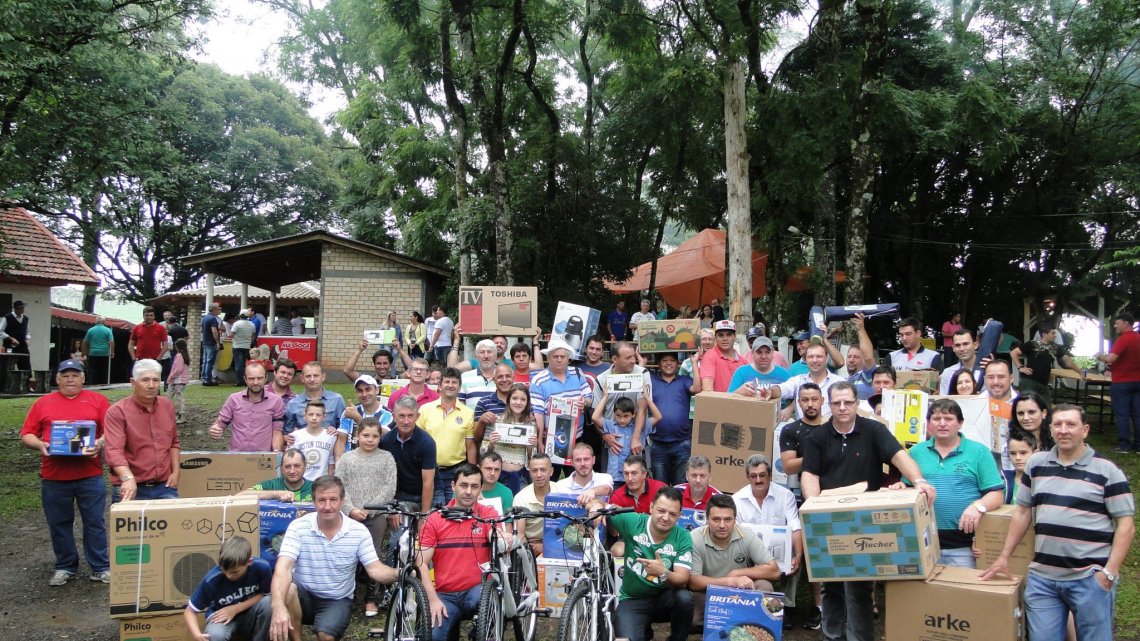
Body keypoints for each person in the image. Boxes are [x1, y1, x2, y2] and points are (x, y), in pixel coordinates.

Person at [979, 405, 1135, 641]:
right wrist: (1004, 556)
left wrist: (1109, 573)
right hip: (1043, 578)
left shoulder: (1107, 471)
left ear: (1085, 430)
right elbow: (1022, 512)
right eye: (1058, 424)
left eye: (1071, 424)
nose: (1064, 430)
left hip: (1088, 578)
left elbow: (1126, 525)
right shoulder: (1037, 464)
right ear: (1050, 429)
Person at [800, 381, 936, 641]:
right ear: (829, 405)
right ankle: (832, 636)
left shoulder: (873, 430)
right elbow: (810, 474)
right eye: (837, 403)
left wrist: (918, 480)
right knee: (830, 585)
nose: (842, 408)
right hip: (829, 519)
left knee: (859, 587)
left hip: (862, 522)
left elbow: (899, 455)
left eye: (848, 402)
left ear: (856, 403)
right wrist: (814, 506)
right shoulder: (818, 436)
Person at [269, 475, 397, 641]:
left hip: (337, 599)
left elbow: (375, 570)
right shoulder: (298, 526)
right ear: (313, 501)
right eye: (321, 500)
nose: (327, 506)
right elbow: (283, 568)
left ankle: (326, 626)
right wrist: (278, 607)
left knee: (327, 636)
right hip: (303, 596)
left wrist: (399, 574)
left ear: (342, 501)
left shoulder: (358, 531)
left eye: (333, 500)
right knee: (289, 590)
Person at [20, 359, 112, 586]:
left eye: (75, 375)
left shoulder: (98, 401)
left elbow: (111, 431)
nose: (70, 379)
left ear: (83, 378)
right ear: (57, 378)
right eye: (65, 375)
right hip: (54, 476)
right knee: (59, 523)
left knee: (94, 523)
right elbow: (27, 434)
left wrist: (99, 443)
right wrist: (40, 445)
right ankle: (65, 566)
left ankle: (100, 567)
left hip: (89, 475)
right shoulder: (43, 403)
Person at [902, 399, 1004, 567]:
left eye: (949, 419)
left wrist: (978, 507)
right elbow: (907, 487)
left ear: (960, 423)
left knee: (960, 592)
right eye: (936, 419)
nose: (942, 424)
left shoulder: (979, 452)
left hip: (964, 547)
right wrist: (899, 488)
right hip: (923, 544)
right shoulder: (916, 452)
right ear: (928, 424)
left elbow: (996, 494)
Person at [418, 464, 502, 641]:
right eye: (463, 485)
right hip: (445, 596)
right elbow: (421, 563)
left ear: (480, 489)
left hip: (477, 591)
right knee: (434, 637)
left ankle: (481, 633)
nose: (468, 491)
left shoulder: (487, 513)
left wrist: (501, 536)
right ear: (453, 486)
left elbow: (495, 534)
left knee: (489, 598)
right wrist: (432, 600)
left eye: (474, 486)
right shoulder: (434, 519)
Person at [609, 486, 694, 641]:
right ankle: (644, 630)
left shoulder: (683, 536)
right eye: (661, 511)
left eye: (672, 514)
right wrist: (594, 504)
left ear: (680, 516)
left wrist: (663, 572)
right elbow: (606, 511)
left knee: (685, 599)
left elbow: (683, 579)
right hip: (632, 599)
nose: (666, 517)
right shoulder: (633, 521)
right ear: (651, 507)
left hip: (664, 598)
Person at [731, 454, 808, 623]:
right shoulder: (736, 499)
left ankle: (786, 607)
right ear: (748, 477)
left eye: (762, 475)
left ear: (770, 476)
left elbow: (796, 526)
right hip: (749, 556)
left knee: (795, 556)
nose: (758, 480)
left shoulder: (785, 495)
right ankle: (754, 605)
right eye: (753, 476)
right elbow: (734, 534)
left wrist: (798, 556)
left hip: (777, 554)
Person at [335, 417, 398, 617]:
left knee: (374, 554)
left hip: (375, 515)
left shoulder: (387, 457)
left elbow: (389, 486)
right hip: (349, 515)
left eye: (375, 436)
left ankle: (372, 598)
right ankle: (346, 595)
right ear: (356, 436)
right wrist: (351, 509)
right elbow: (339, 485)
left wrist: (371, 509)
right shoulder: (347, 459)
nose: (370, 440)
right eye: (365, 435)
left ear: (380, 437)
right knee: (347, 553)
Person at [688, 493, 781, 629]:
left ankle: (738, 623)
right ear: (707, 519)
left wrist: (737, 573)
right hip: (709, 594)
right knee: (692, 618)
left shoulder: (747, 535)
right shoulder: (695, 538)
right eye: (716, 519)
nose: (722, 525)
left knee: (765, 586)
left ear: (735, 520)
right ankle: (739, 622)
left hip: (742, 594)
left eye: (727, 519)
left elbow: (774, 571)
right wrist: (729, 581)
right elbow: (694, 582)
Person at [103, 359, 180, 501]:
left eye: (156, 380)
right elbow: (114, 451)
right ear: (133, 382)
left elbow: (174, 442)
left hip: (165, 486)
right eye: (145, 380)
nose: (151, 385)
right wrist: (127, 478)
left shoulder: (167, 406)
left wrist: (176, 472)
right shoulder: (118, 411)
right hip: (131, 486)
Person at [185, 536, 272, 641]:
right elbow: (190, 611)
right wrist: (197, 635)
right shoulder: (212, 579)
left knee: (269, 602)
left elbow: (266, 594)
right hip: (221, 618)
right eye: (224, 570)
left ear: (249, 562)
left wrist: (236, 608)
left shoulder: (262, 568)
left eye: (235, 571)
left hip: (250, 614)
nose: (229, 576)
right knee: (216, 636)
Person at [531, 339, 593, 477]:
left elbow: (589, 397)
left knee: (578, 477)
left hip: (577, 436)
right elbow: (538, 412)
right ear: (548, 358)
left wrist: (585, 402)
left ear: (568, 358)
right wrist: (540, 440)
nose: (559, 360)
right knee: (550, 478)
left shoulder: (578, 373)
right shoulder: (539, 380)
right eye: (555, 356)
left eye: (563, 357)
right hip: (551, 440)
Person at [417, 367, 476, 505]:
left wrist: (473, 474)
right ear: (439, 386)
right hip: (429, 470)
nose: (450, 385)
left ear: (459, 387)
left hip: (455, 471)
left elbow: (470, 446)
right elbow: (417, 441)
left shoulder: (468, 413)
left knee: (454, 513)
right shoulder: (425, 410)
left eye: (454, 382)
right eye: (447, 382)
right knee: (432, 513)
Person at [649, 352, 701, 484]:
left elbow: (697, 388)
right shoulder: (651, 380)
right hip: (658, 444)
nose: (668, 363)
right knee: (660, 488)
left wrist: (694, 362)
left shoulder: (683, 380)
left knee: (681, 486)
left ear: (678, 364)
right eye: (664, 360)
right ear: (659, 364)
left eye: (672, 360)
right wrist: (642, 362)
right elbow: (638, 382)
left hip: (682, 443)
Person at [210, 362, 286, 452]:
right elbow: (220, 423)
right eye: (251, 379)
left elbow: (277, 431)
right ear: (245, 379)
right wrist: (214, 430)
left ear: (266, 378)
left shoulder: (276, 401)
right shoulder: (233, 399)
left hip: (263, 457)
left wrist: (276, 452)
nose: (256, 382)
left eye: (260, 378)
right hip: (237, 456)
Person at [381, 395, 437, 513]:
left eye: (410, 416)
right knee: (399, 529)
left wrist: (424, 515)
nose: (406, 421)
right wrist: (392, 507)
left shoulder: (427, 443)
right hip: (401, 495)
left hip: (429, 492)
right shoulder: (385, 441)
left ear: (417, 417)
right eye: (401, 416)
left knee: (431, 527)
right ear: (394, 417)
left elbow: (428, 482)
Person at [481, 381, 537, 493]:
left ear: (527, 403)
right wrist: (491, 443)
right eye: (515, 398)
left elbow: (532, 460)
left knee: (520, 509)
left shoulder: (531, 425)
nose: (518, 402)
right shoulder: (496, 421)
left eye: (523, 399)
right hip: (498, 477)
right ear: (508, 400)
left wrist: (531, 446)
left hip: (521, 477)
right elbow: (482, 452)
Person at [767, 343, 846, 422]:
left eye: (819, 356)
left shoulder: (840, 383)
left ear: (826, 358)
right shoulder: (797, 381)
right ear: (806, 360)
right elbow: (782, 389)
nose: (814, 360)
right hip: (803, 432)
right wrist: (770, 391)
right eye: (810, 357)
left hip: (831, 432)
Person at [1097, 313, 1140, 453]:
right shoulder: (1138, 338)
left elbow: (1111, 358)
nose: (1115, 325)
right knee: (1137, 413)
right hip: (1137, 381)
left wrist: (1099, 356)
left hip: (1122, 381)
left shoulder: (1124, 339)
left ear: (1126, 323)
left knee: (1122, 413)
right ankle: (1138, 445)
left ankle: (1124, 445)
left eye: (1117, 323)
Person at [778, 383, 825, 503]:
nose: (810, 404)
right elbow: (788, 467)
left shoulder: (833, 427)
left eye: (814, 399)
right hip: (808, 490)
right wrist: (819, 457)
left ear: (822, 401)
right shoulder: (791, 430)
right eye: (805, 400)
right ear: (798, 402)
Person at [1012, 323, 1082, 402]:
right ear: (1044, 334)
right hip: (1029, 383)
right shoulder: (1031, 344)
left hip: (1044, 385)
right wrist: (1020, 367)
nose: (1055, 335)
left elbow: (1067, 360)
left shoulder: (1055, 348)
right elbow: (1013, 353)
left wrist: (1079, 371)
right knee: (1028, 406)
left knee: (1047, 409)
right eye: (1053, 333)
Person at [337, 375, 393, 460]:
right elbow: (341, 441)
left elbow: (382, 436)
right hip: (350, 462)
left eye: (368, 389)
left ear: (377, 390)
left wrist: (357, 418)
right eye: (360, 391)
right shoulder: (349, 412)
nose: (364, 394)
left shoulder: (387, 414)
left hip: (375, 463)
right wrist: (339, 465)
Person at [283, 362, 347, 437]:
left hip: (329, 446)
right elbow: (287, 432)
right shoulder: (293, 404)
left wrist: (335, 430)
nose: (312, 379)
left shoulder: (336, 400)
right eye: (308, 376)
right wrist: (288, 437)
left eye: (316, 376)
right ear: (302, 378)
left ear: (323, 377)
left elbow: (344, 427)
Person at [513, 453, 554, 555]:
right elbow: (520, 535)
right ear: (530, 473)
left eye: (543, 470)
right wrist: (530, 550)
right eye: (534, 470)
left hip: (557, 545)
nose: (539, 475)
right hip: (530, 547)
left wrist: (546, 547)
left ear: (551, 471)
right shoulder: (521, 498)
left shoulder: (562, 492)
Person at [244, 449, 314, 502]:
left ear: (305, 466)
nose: (292, 471)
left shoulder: (314, 487)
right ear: (281, 468)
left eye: (297, 466)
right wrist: (277, 494)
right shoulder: (271, 485)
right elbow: (240, 496)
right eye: (287, 466)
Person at [292, 400, 338, 481]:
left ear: (324, 417)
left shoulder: (330, 436)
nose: (314, 418)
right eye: (310, 414)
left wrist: (330, 479)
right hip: (302, 481)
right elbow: (291, 460)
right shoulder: (295, 436)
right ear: (304, 416)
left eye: (318, 415)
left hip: (323, 480)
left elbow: (331, 460)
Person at [700, 320, 748, 392]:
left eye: (729, 335)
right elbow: (707, 390)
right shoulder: (710, 356)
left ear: (734, 337)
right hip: (717, 403)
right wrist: (735, 394)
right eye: (721, 335)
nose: (725, 338)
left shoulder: (743, 361)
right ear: (715, 338)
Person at [938, 328, 982, 394]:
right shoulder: (948, 373)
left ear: (975, 345)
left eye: (965, 344)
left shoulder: (986, 371)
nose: (961, 349)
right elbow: (943, 401)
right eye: (957, 345)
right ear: (953, 348)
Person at [81, 315, 115, 385]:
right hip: (104, 353)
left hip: (93, 353)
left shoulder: (91, 330)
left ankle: (91, 384)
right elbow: (111, 342)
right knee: (103, 370)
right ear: (104, 322)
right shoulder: (108, 330)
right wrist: (112, 352)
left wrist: (83, 352)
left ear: (96, 321)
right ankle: (104, 384)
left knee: (92, 370)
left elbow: (84, 342)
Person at [228, 312, 257, 386]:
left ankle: (239, 382)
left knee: (238, 365)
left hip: (237, 346)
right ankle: (244, 381)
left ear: (240, 316)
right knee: (244, 364)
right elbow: (253, 336)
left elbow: (231, 335)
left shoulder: (237, 324)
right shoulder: (252, 324)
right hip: (247, 346)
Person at [167, 338, 190, 423]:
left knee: (176, 397)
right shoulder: (184, 355)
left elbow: (178, 369)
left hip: (177, 380)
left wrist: (171, 377)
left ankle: (181, 416)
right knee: (176, 397)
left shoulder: (179, 356)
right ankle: (179, 415)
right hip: (179, 380)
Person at [201, 302, 223, 386]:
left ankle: (204, 377)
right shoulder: (213, 319)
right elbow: (214, 331)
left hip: (205, 341)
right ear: (214, 309)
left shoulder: (205, 318)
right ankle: (208, 379)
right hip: (211, 342)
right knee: (210, 361)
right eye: (218, 309)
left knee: (205, 361)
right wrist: (217, 342)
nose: (219, 310)